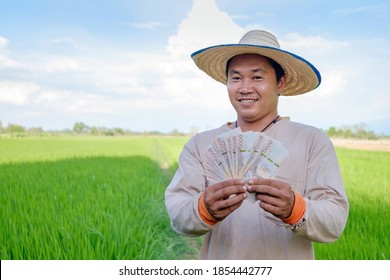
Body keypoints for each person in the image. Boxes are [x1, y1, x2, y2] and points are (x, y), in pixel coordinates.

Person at [165, 30, 349, 259]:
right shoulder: (200, 145)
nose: (245, 88)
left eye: (257, 77)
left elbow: (335, 221)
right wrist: (204, 208)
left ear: (280, 82)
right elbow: (178, 214)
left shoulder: (312, 141)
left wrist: (295, 208)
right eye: (236, 77)